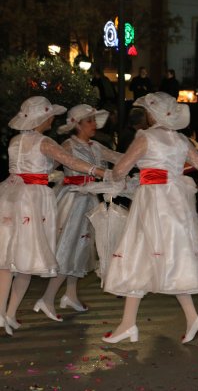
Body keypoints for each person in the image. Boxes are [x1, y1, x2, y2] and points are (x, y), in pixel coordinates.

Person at [99, 92, 198, 344]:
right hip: (175, 203)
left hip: (153, 201)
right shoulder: (181, 140)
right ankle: (182, 319)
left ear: (152, 114)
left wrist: (113, 179)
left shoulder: (145, 137)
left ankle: (130, 324)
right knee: (170, 258)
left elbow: (121, 168)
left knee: (138, 253)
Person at [0, 96, 105, 335]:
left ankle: (8, 314)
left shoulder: (16, 140)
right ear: (43, 118)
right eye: (50, 116)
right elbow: (71, 161)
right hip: (31, 200)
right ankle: (5, 314)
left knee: (7, 259)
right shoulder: (44, 142)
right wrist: (100, 172)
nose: (52, 120)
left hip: (10, 196)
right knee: (22, 259)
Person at [36, 105, 122, 320]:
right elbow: (47, 166)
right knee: (68, 246)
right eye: (90, 121)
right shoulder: (68, 145)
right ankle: (47, 298)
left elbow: (119, 157)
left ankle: (71, 294)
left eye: (94, 120)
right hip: (73, 199)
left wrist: (151, 157)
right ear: (78, 125)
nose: (94, 125)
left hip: (90, 198)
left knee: (82, 247)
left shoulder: (96, 146)